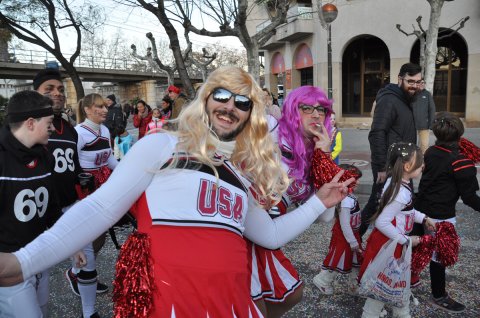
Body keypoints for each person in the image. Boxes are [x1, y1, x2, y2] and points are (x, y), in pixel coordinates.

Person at [0, 67, 353, 318]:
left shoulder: (237, 175)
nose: (230, 106)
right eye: (223, 95)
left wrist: (319, 201)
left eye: (242, 102)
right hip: (169, 304)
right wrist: (24, 262)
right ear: (206, 99)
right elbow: (100, 209)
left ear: (249, 116)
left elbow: (271, 235)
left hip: (232, 306)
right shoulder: (163, 145)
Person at [248, 85, 335, 317]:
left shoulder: (313, 158)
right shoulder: (272, 129)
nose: (316, 114)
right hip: (238, 232)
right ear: (292, 110)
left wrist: (324, 158)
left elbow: (326, 215)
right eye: (306, 108)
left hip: (265, 237)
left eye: (322, 110)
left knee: (292, 296)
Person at [0, 90, 70, 317]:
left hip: (38, 258)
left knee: (42, 311)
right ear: (31, 123)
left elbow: (52, 209)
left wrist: (72, 242)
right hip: (9, 268)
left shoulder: (44, 157)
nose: (52, 128)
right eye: (48, 122)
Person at [358, 142, 435, 318]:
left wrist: (423, 218)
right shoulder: (401, 191)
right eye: (421, 161)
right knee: (382, 283)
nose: (423, 165)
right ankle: (372, 314)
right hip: (390, 244)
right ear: (408, 166)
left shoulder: (400, 183)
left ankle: (402, 311)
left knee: (397, 280)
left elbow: (406, 211)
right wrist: (406, 240)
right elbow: (382, 222)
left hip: (394, 242)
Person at [414, 112, 480, 313]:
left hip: (419, 208)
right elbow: (469, 197)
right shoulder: (460, 161)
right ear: (460, 133)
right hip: (440, 215)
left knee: (412, 248)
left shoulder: (432, 151)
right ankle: (438, 295)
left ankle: (403, 282)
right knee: (438, 256)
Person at [67, 93, 119, 318]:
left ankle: (75, 271)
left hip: (103, 188)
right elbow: (70, 166)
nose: (104, 110)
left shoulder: (105, 130)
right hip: (84, 193)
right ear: (87, 110)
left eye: (105, 106)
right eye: (99, 107)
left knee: (100, 237)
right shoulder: (78, 133)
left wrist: (128, 172)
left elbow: (109, 159)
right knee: (87, 244)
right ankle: (88, 309)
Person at [360, 63, 422, 236]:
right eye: (411, 81)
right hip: (389, 166)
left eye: (418, 82)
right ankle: (353, 243)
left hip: (403, 165)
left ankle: (396, 245)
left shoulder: (406, 98)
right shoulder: (389, 99)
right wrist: (381, 166)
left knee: (401, 205)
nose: (414, 85)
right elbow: (377, 133)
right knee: (376, 204)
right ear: (400, 79)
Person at [313, 164, 363, 295]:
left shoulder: (349, 197)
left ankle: (354, 284)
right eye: (355, 179)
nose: (358, 182)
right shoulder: (346, 200)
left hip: (350, 235)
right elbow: (345, 223)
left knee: (353, 260)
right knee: (338, 260)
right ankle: (322, 280)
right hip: (345, 237)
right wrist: (352, 242)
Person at [412, 80, 436, 154]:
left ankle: (422, 161)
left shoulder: (427, 94)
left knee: (424, 145)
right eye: (419, 83)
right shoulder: (412, 93)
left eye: (423, 83)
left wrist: (431, 123)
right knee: (411, 144)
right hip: (411, 124)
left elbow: (432, 109)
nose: (422, 84)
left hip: (424, 125)